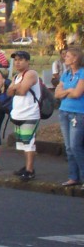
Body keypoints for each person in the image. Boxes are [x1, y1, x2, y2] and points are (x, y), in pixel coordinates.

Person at [52, 46, 84, 187]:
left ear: (75, 58)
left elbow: (77, 94)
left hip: (78, 113)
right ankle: (73, 176)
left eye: (68, 56)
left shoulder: (82, 73)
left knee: (76, 146)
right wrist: (68, 90)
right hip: (64, 111)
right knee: (68, 147)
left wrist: (67, 91)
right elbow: (57, 94)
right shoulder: (66, 73)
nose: (65, 58)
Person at [6, 50, 40, 181]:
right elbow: (9, 92)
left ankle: (30, 170)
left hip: (30, 112)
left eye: (20, 60)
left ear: (27, 61)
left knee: (29, 142)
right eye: (16, 60)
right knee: (22, 143)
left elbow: (22, 91)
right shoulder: (16, 76)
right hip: (18, 113)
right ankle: (26, 167)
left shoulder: (31, 74)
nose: (17, 62)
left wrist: (15, 87)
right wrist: (15, 86)